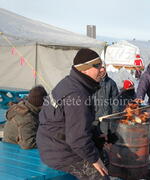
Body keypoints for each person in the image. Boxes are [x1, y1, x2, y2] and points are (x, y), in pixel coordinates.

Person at [36, 48, 110, 180]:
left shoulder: (71, 82)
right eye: (97, 66)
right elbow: (77, 139)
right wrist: (94, 160)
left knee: (104, 154)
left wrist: (95, 136)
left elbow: (70, 124)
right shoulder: (77, 95)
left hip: (51, 143)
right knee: (101, 175)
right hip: (59, 152)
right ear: (84, 69)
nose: (102, 69)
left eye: (102, 65)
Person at [93, 66, 119, 134]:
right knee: (93, 134)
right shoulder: (93, 82)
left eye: (102, 70)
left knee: (104, 135)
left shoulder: (111, 83)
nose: (101, 72)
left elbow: (115, 99)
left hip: (106, 115)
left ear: (105, 70)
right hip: (94, 114)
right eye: (99, 70)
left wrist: (114, 113)